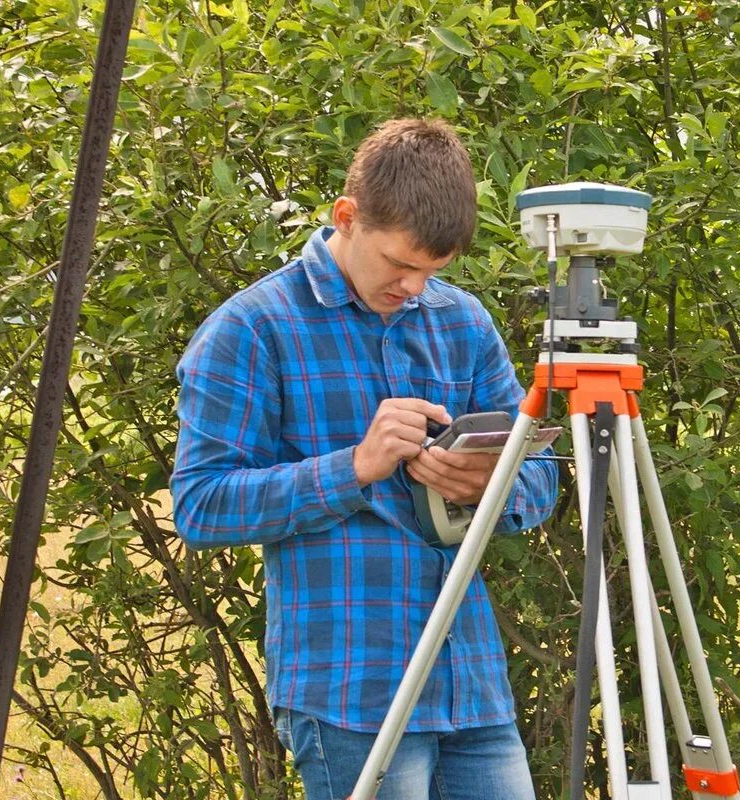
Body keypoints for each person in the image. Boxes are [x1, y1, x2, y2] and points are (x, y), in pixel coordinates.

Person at [171, 118, 557, 799]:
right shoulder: (252, 327)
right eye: (400, 265)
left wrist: (489, 484)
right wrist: (352, 467)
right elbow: (201, 507)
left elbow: (538, 477)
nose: (414, 286)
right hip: (347, 692)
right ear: (346, 216)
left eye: (431, 271)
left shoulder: (462, 322)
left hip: (469, 683)